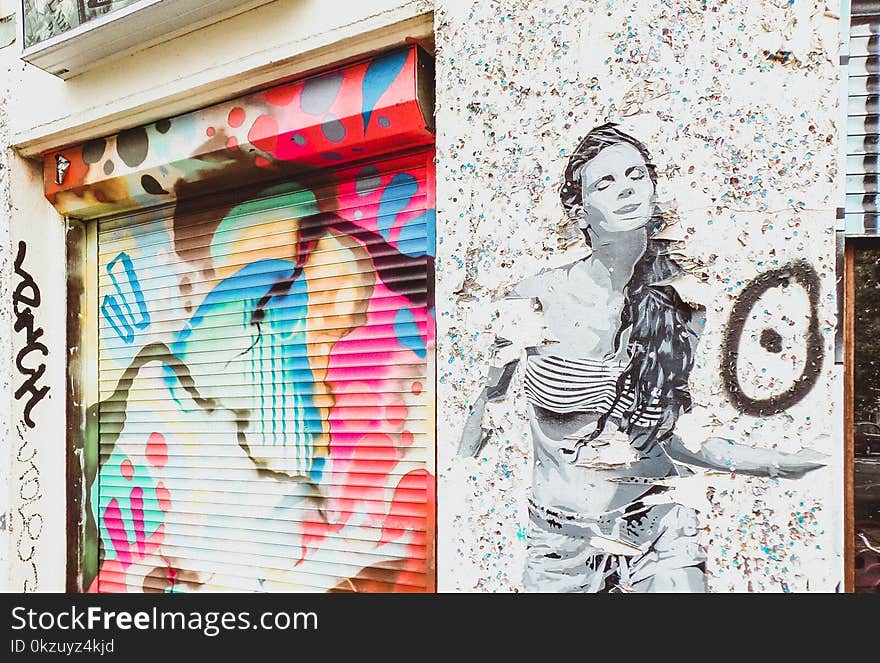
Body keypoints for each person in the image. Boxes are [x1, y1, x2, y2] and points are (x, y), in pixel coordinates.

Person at [457, 123, 825, 592]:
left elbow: (675, 440)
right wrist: (462, 475)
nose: (625, 189)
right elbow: (485, 408)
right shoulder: (539, 296)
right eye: (604, 182)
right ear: (579, 209)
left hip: (656, 527)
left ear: (653, 188)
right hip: (562, 542)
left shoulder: (682, 307)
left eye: (635, 175)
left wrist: (781, 462)